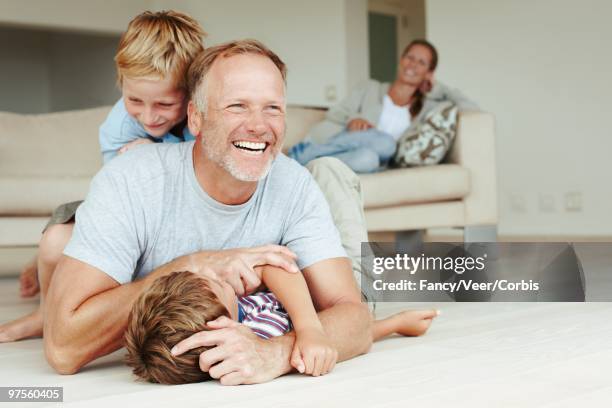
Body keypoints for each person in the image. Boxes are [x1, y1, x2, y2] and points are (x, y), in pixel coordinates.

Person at [40, 40, 375, 385]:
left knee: (332, 176)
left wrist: (273, 353)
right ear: (196, 118)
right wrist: (192, 265)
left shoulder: (294, 184)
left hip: (321, 216)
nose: (259, 126)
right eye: (237, 106)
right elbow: (63, 349)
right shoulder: (133, 180)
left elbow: (357, 321)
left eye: (272, 108)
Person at [1, 9, 206, 342]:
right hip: (132, 213)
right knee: (54, 241)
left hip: (184, 221)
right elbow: (116, 195)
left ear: (192, 93)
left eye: (165, 104)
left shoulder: (205, 120)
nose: (148, 117)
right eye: (134, 100)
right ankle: (45, 312)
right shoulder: (119, 125)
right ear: (120, 84)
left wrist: (155, 154)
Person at [125, 270, 439, 384]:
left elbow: (273, 266)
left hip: (319, 302)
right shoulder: (264, 331)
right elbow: (348, 336)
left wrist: (308, 327)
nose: (225, 277)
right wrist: (394, 324)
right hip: (346, 302)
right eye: (220, 285)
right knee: (333, 172)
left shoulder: (238, 308)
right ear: (221, 325)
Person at [288, 39, 478, 173]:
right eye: (410, 57)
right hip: (338, 141)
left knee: (370, 159)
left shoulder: (427, 107)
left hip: (364, 157)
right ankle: (303, 154)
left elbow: (472, 109)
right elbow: (335, 113)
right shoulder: (370, 88)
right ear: (401, 60)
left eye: (421, 62)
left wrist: (437, 86)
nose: (413, 65)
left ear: (428, 72)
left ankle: (307, 164)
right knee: (386, 143)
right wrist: (353, 119)